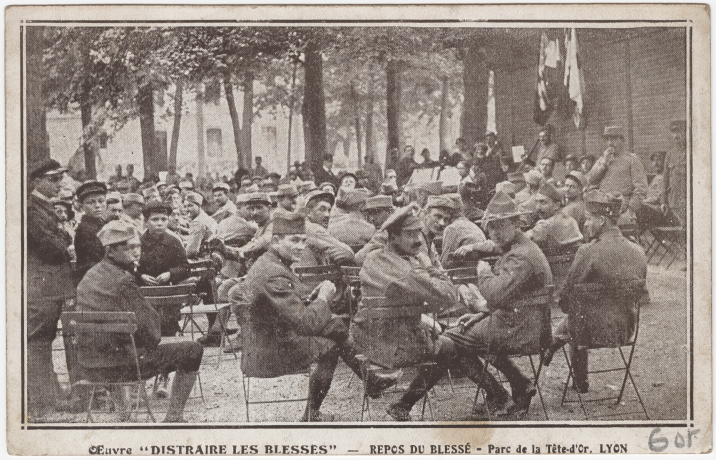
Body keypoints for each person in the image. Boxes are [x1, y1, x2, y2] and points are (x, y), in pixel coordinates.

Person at [391, 191, 553, 420]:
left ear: (516, 223)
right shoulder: (522, 249)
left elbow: (496, 294)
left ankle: (500, 394)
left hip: (518, 329)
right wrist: (480, 315)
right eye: (491, 226)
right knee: (456, 341)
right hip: (521, 323)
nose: (494, 232)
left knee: (448, 343)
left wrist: (484, 273)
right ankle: (517, 386)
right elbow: (513, 297)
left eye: (500, 226)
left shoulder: (521, 257)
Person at [229, 213, 395, 421]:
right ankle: (313, 413)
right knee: (330, 346)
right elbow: (306, 323)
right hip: (268, 352)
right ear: (275, 241)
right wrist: (323, 298)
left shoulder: (270, 262)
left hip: (267, 340)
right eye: (294, 240)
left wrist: (313, 299)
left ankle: (370, 380)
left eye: (304, 241)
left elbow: (287, 311)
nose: (300, 247)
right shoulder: (274, 272)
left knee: (334, 324)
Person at [76, 220, 203, 422]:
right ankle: (174, 418)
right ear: (110, 251)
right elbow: (152, 334)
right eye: (130, 247)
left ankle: (124, 414)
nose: (137, 252)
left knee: (119, 344)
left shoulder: (90, 276)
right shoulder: (124, 281)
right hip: (124, 366)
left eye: (138, 246)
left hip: (88, 364)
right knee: (193, 350)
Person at [544, 190, 647, 393]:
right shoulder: (638, 250)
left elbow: (566, 299)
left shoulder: (588, 251)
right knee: (583, 310)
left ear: (601, 220)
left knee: (577, 312)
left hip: (590, 334)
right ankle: (553, 343)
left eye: (589, 219)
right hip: (625, 330)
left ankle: (578, 379)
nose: (586, 224)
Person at [27, 159, 76, 419]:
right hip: (42, 286)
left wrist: (64, 240)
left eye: (60, 179)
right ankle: (40, 401)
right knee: (38, 342)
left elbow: (62, 238)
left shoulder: (46, 207)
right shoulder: (32, 210)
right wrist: (65, 241)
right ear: (36, 181)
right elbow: (53, 246)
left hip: (52, 285)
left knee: (43, 341)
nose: (59, 184)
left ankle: (49, 396)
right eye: (53, 179)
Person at [137, 200, 190, 335]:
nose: (160, 223)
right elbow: (127, 268)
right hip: (143, 295)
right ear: (146, 221)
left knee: (168, 329)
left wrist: (170, 274)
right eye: (155, 219)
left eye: (164, 219)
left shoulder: (174, 242)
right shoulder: (137, 243)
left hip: (168, 296)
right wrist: (141, 276)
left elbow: (185, 268)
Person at [587, 126, 648, 226]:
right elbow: (590, 180)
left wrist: (631, 210)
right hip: (601, 206)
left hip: (622, 208)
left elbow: (641, 189)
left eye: (614, 139)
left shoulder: (632, 160)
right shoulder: (603, 160)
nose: (610, 143)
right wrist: (604, 163)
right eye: (608, 139)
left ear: (622, 140)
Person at [299, 189, 355, 267]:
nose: (327, 215)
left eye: (329, 210)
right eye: (322, 209)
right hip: (311, 277)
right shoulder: (314, 229)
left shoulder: (303, 226)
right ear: (308, 212)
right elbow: (347, 253)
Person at [525, 182, 583, 251]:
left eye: (543, 202)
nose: (537, 207)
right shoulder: (570, 219)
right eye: (536, 202)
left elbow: (525, 239)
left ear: (556, 205)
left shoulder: (545, 225)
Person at [74, 181, 109, 283]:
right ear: (82, 206)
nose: (97, 205)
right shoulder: (84, 230)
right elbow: (98, 260)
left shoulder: (103, 224)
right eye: (90, 202)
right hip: (92, 279)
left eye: (101, 201)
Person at [440, 194, 487, 267]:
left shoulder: (452, 229)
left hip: (464, 273)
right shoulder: (472, 225)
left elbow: (445, 263)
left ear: (447, 212)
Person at [662, 120, 687, 227]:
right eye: (674, 132)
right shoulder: (670, 154)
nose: (676, 136)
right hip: (674, 202)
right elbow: (665, 179)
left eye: (679, 132)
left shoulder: (694, 153)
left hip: (689, 200)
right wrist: (663, 201)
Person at [183, 191, 217, 259]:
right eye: (185, 206)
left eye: (190, 205)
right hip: (213, 254)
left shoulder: (198, 222)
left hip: (205, 258)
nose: (187, 209)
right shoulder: (205, 217)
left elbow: (191, 251)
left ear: (199, 206)